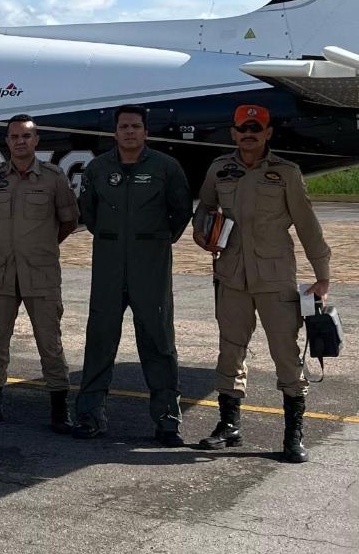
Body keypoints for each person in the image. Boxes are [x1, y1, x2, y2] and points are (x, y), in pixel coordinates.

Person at [192, 104, 330, 463]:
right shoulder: (221, 169)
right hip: (232, 276)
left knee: (285, 351)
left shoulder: (286, 172)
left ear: (268, 133)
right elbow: (204, 209)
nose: (249, 133)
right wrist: (203, 233)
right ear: (234, 133)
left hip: (275, 278)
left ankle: (293, 435)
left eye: (257, 127)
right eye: (243, 127)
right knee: (230, 349)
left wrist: (322, 275)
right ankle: (229, 426)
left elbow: (307, 225)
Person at [73, 104, 193, 445]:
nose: (129, 132)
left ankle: (167, 420)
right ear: (115, 132)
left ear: (145, 131)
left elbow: (180, 212)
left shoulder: (166, 168)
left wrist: (152, 241)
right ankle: (89, 414)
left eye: (135, 126)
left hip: (150, 267)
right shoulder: (98, 169)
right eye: (124, 126)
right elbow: (90, 216)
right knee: (99, 340)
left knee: (158, 342)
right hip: (109, 265)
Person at [0, 115, 79, 432]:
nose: (20, 141)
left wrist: (39, 246)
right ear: (7, 141)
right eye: (14, 136)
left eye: (26, 136)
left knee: (50, 341)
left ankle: (59, 410)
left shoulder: (54, 177)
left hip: (40, 273)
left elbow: (69, 221)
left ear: (36, 140)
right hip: (2, 271)